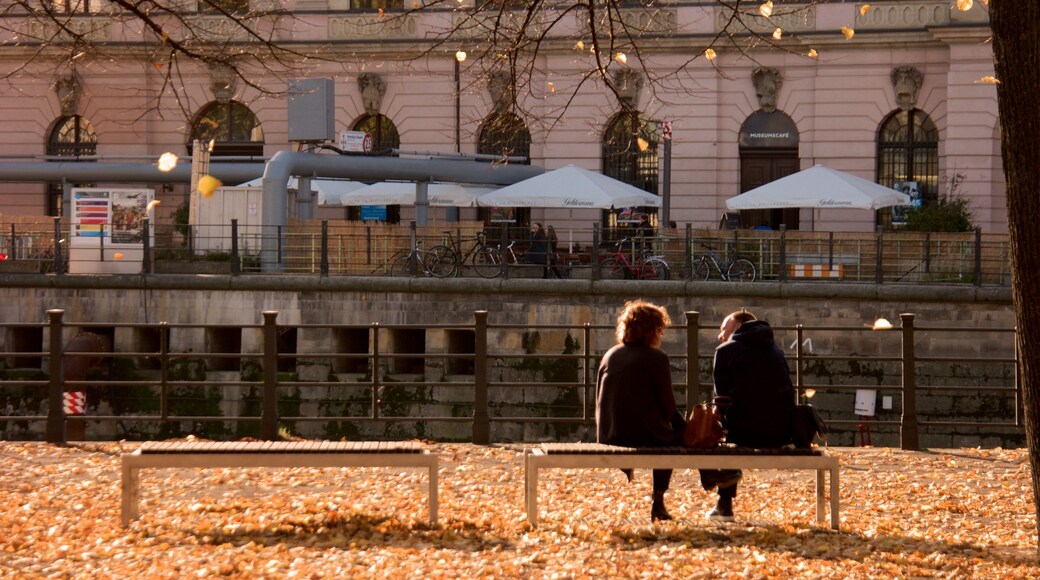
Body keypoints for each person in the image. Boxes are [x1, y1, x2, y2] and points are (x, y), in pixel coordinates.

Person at [702, 309, 796, 522]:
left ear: (737, 327)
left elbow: (721, 400)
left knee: (724, 432)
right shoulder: (775, 350)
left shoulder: (725, 351)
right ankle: (722, 503)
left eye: (723, 328)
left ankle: (723, 503)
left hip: (744, 432)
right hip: (781, 431)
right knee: (736, 420)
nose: (720, 334)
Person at [596, 300, 685, 521]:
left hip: (610, 434)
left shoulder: (611, 355)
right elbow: (668, 407)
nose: (661, 334)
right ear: (651, 330)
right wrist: (685, 427)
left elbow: (599, 398)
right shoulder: (656, 358)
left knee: (668, 435)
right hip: (643, 434)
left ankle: (709, 476)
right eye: (659, 329)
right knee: (672, 439)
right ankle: (658, 499)